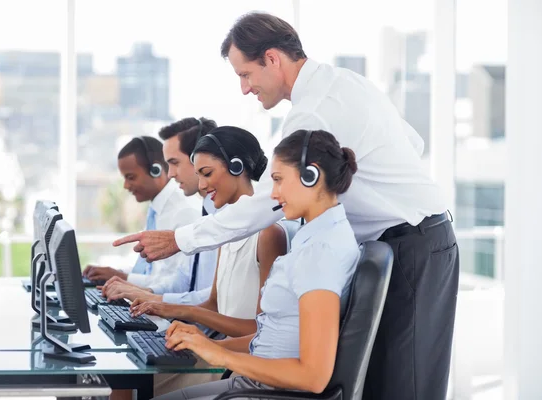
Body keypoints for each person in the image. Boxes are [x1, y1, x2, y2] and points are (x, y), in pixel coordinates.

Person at [114, 12, 459, 400]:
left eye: (245, 74)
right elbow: (413, 144)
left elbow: (266, 204)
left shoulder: (312, 114)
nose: (245, 89)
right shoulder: (344, 82)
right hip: (416, 236)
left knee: (404, 385)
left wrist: (181, 239)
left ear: (273, 59)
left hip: (413, 244)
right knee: (385, 382)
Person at [154, 129, 360, 399]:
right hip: (257, 384)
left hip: (266, 391)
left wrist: (219, 355)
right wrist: (208, 343)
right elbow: (274, 338)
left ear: (311, 175)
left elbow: (313, 376)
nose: (273, 195)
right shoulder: (315, 238)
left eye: (278, 180)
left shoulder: (320, 252)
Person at [129, 125, 287, 339]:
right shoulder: (222, 232)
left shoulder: (268, 235)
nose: (202, 185)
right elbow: (213, 305)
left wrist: (186, 314)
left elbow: (261, 331)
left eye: (207, 173)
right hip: (220, 354)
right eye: (198, 176)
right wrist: (165, 307)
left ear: (236, 167)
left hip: (238, 361)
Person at [102, 118, 220, 306]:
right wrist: (145, 293)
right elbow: (184, 278)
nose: (171, 174)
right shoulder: (205, 212)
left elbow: (213, 299)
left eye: (174, 163)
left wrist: (149, 297)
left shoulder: (191, 213)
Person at [83, 136, 198, 290]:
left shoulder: (183, 212)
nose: (125, 185)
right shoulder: (157, 209)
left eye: (130, 177)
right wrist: (116, 274)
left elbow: (177, 284)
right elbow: (150, 271)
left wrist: (123, 278)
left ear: (155, 171)